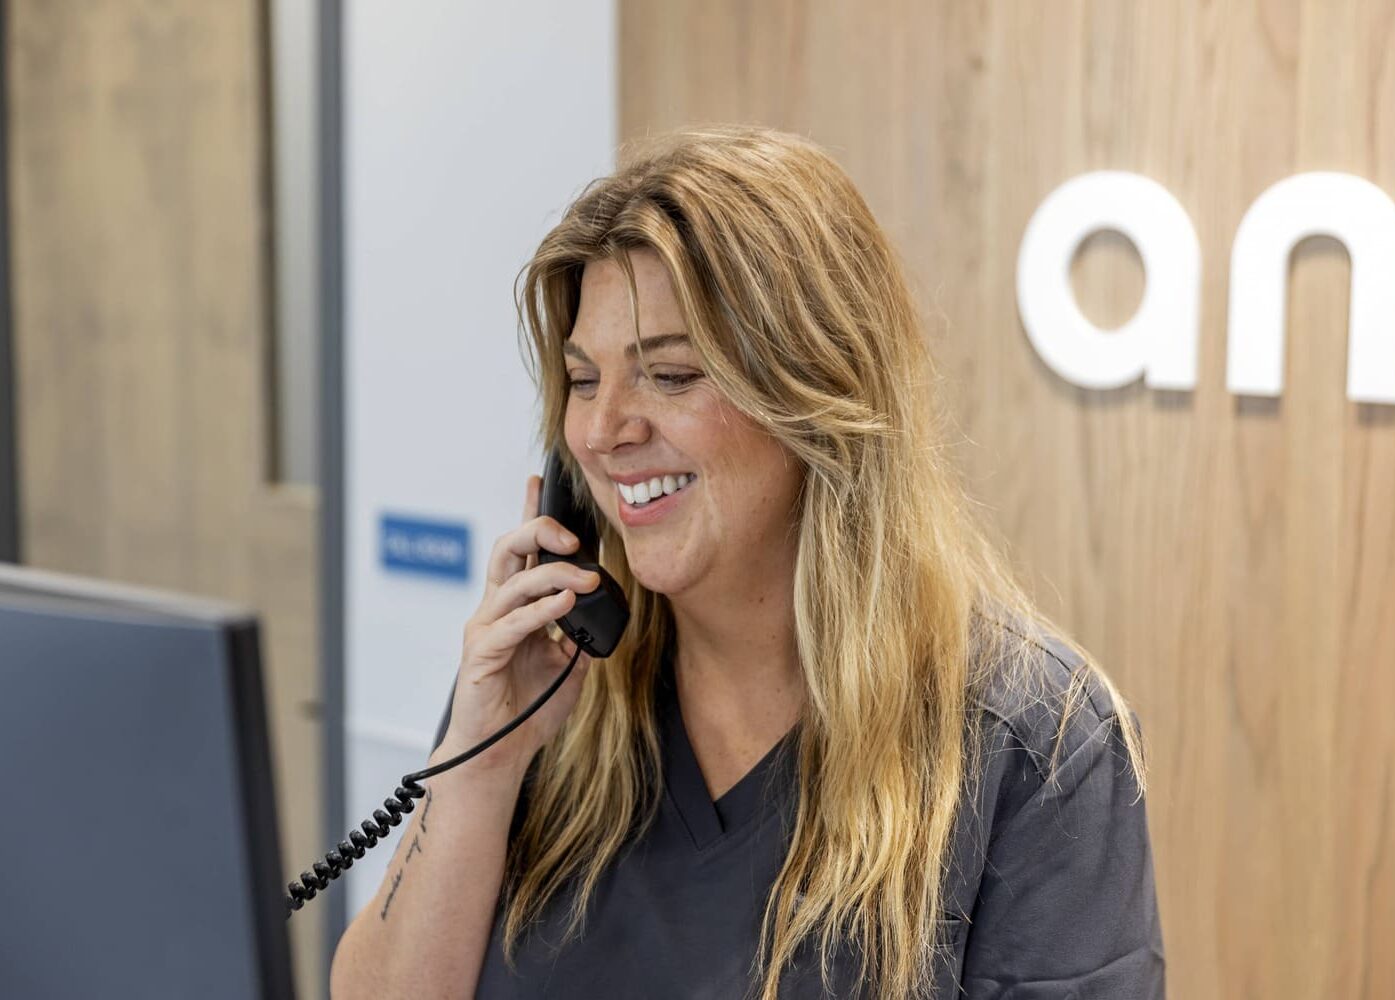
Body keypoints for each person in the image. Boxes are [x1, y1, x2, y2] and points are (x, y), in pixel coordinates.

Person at [331, 124, 1165, 999]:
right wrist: (481, 760)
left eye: (672, 376)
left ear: (815, 397)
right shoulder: (551, 684)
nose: (606, 431)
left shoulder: (1036, 745)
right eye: (583, 382)